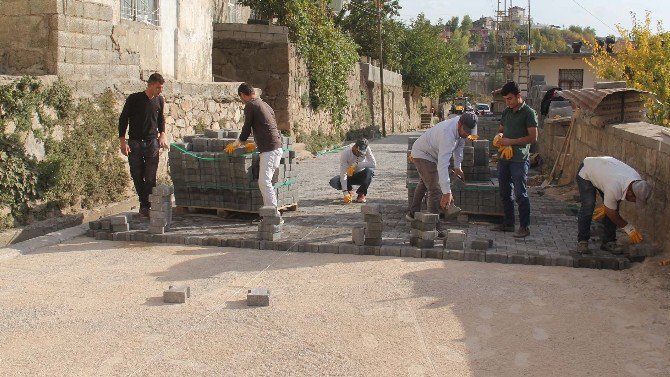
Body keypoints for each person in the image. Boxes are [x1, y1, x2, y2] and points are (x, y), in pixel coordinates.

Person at [407, 112, 478, 237]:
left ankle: (412, 213)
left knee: (425, 182)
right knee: (435, 189)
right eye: (466, 131)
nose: (467, 134)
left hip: (432, 154)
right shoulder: (448, 134)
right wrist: (447, 193)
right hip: (423, 154)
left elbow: (460, 147)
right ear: (459, 124)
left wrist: (457, 167)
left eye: (470, 132)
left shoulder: (462, 128)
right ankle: (434, 226)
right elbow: (443, 165)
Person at [491, 81, 538, 238]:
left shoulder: (529, 113)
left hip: (519, 158)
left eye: (510, 98)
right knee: (504, 191)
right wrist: (499, 137)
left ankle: (524, 227)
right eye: (505, 99)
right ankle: (509, 223)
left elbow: (533, 137)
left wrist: (510, 142)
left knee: (520, 193)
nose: (507, 102)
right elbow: (501, 130)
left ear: (519, 96)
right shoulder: (507, 112)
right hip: (504, 157)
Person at [576, 156, 651, 254]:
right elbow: (612, 212)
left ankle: (608, 241)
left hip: (604, 173)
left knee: (613, 207)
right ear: (630, 193)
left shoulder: (637, 182)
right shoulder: (614, 186)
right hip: (587, 171)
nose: (634, 202)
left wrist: (609, 206)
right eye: (635, 200)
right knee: (588, 205)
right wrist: (629, 228)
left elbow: (619, 197)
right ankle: (582, 241)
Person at [119, 73, 168, 218]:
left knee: (151, 176)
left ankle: (148, 205)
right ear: (151, 85)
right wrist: (123, 141)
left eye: (161, 88)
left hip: (152, 143)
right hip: (135, 142)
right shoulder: (134, 99)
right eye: (158, 87)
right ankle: (144, 204)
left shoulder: (159, 100)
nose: (160, 90)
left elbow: (161, 119)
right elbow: (123, 119)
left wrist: (163, 134)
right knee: (137, 174)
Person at [230, 83, 283, 213]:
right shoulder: (265, 104)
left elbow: (247, 127)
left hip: (270, 149)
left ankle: (273, 214)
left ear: (242, 94)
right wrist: (257, 143)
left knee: (264, 182)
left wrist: (239, 142)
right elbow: (270, 125)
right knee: (266, 181)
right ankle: (270, 212)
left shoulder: (251, 105)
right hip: (276, 147)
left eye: (241, 97)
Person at [329, 139, 377, 203]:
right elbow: (343, 174)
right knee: (334, 181)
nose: (360, 154)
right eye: (359, 152)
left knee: (370, 171)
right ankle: (349, 191)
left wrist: (357, 165)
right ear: (355, 147)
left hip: (361, 176)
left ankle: (361, 194)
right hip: (349, 176)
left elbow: (373, 164)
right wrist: (345, 192)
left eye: (362, 153)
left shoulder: (367, 148)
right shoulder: (346, 153)